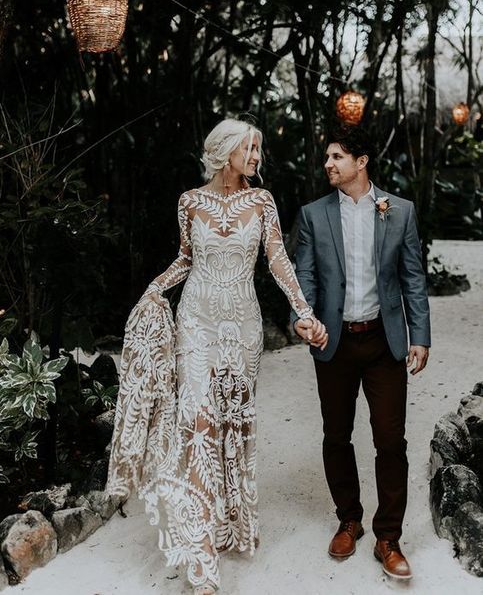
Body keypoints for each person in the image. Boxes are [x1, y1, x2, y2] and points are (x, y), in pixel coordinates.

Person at [107, 118, 327, 595]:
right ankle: (201, 552)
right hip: (198, 324)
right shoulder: (189, 202)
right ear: (225, 151)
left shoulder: (262, 201)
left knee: (234, 425)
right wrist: (153, 288)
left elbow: (277, 260)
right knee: (199, 424)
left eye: (258, 150)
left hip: (243, 329)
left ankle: (228, 523)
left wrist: (304, 314)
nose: (256, 157)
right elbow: (186, 258)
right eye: (250, 149)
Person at [292, 123, 430, 581]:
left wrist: (420, 335)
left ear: (362, 161)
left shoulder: (400, 211)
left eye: (336, 157)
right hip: (334, 341)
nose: (328, 164)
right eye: (327, 158)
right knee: (337, 435)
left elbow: (412, 277)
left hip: (383, 342)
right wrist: (303, 318)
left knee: (391, 439)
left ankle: (388, 536)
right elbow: (305, 277)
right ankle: (348, 519)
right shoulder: (313, 215)